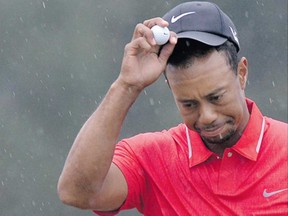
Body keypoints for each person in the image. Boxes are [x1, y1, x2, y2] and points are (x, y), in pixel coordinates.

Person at [57, 1, 288, 215]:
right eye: (189, 104)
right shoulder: (153, 158)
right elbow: (76, 192)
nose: (207, 117)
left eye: (216, 97)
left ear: (242, 74)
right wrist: (127, 85)